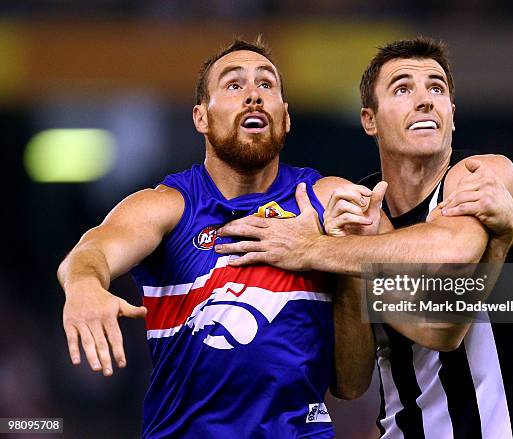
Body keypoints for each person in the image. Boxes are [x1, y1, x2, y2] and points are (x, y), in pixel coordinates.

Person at [216, 37, 513, 438]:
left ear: (452, 113)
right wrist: (345, 271)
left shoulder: (482, 176)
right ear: (369, 120)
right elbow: (350, 382)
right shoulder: (358, 216)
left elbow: (446, 299)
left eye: (437, 88)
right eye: (402, 88)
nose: (425, 100)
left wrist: (317, 248)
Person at [57, 38, 380, 439]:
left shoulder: (325, 199)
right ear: (201, 118)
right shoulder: (168, 206)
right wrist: (84, 284)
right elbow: (93, 251)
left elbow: (352, 385)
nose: (253, 96)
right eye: (233, 85)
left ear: (286, 117)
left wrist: (341, 257)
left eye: (267, 86)